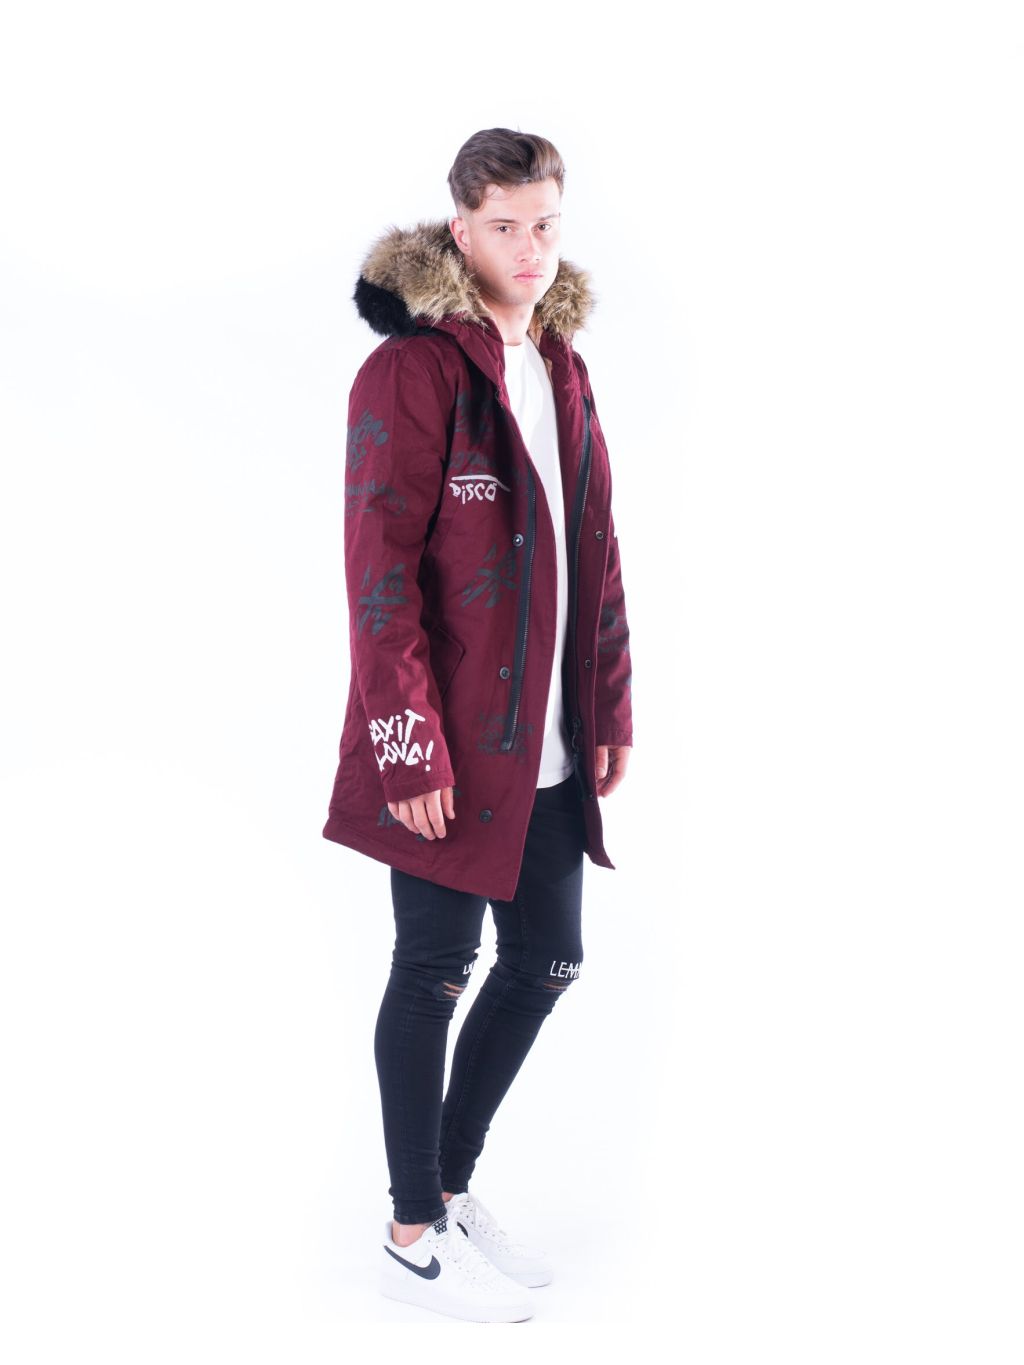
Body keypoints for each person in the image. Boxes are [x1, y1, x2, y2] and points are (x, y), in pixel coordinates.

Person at [321, 128, 634, 1322]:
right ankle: (410, 1233)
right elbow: (378, 574)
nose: (529, 248)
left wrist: (607, 704)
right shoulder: (412, 371)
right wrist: (406, 745)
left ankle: (446, 1188)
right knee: (435, 967)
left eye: (545, 224)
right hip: (445, 744)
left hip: (547, 735)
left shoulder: (561, 363)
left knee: (547, 959)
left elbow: (597, 549)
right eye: (504, 226)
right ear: (460, 229)